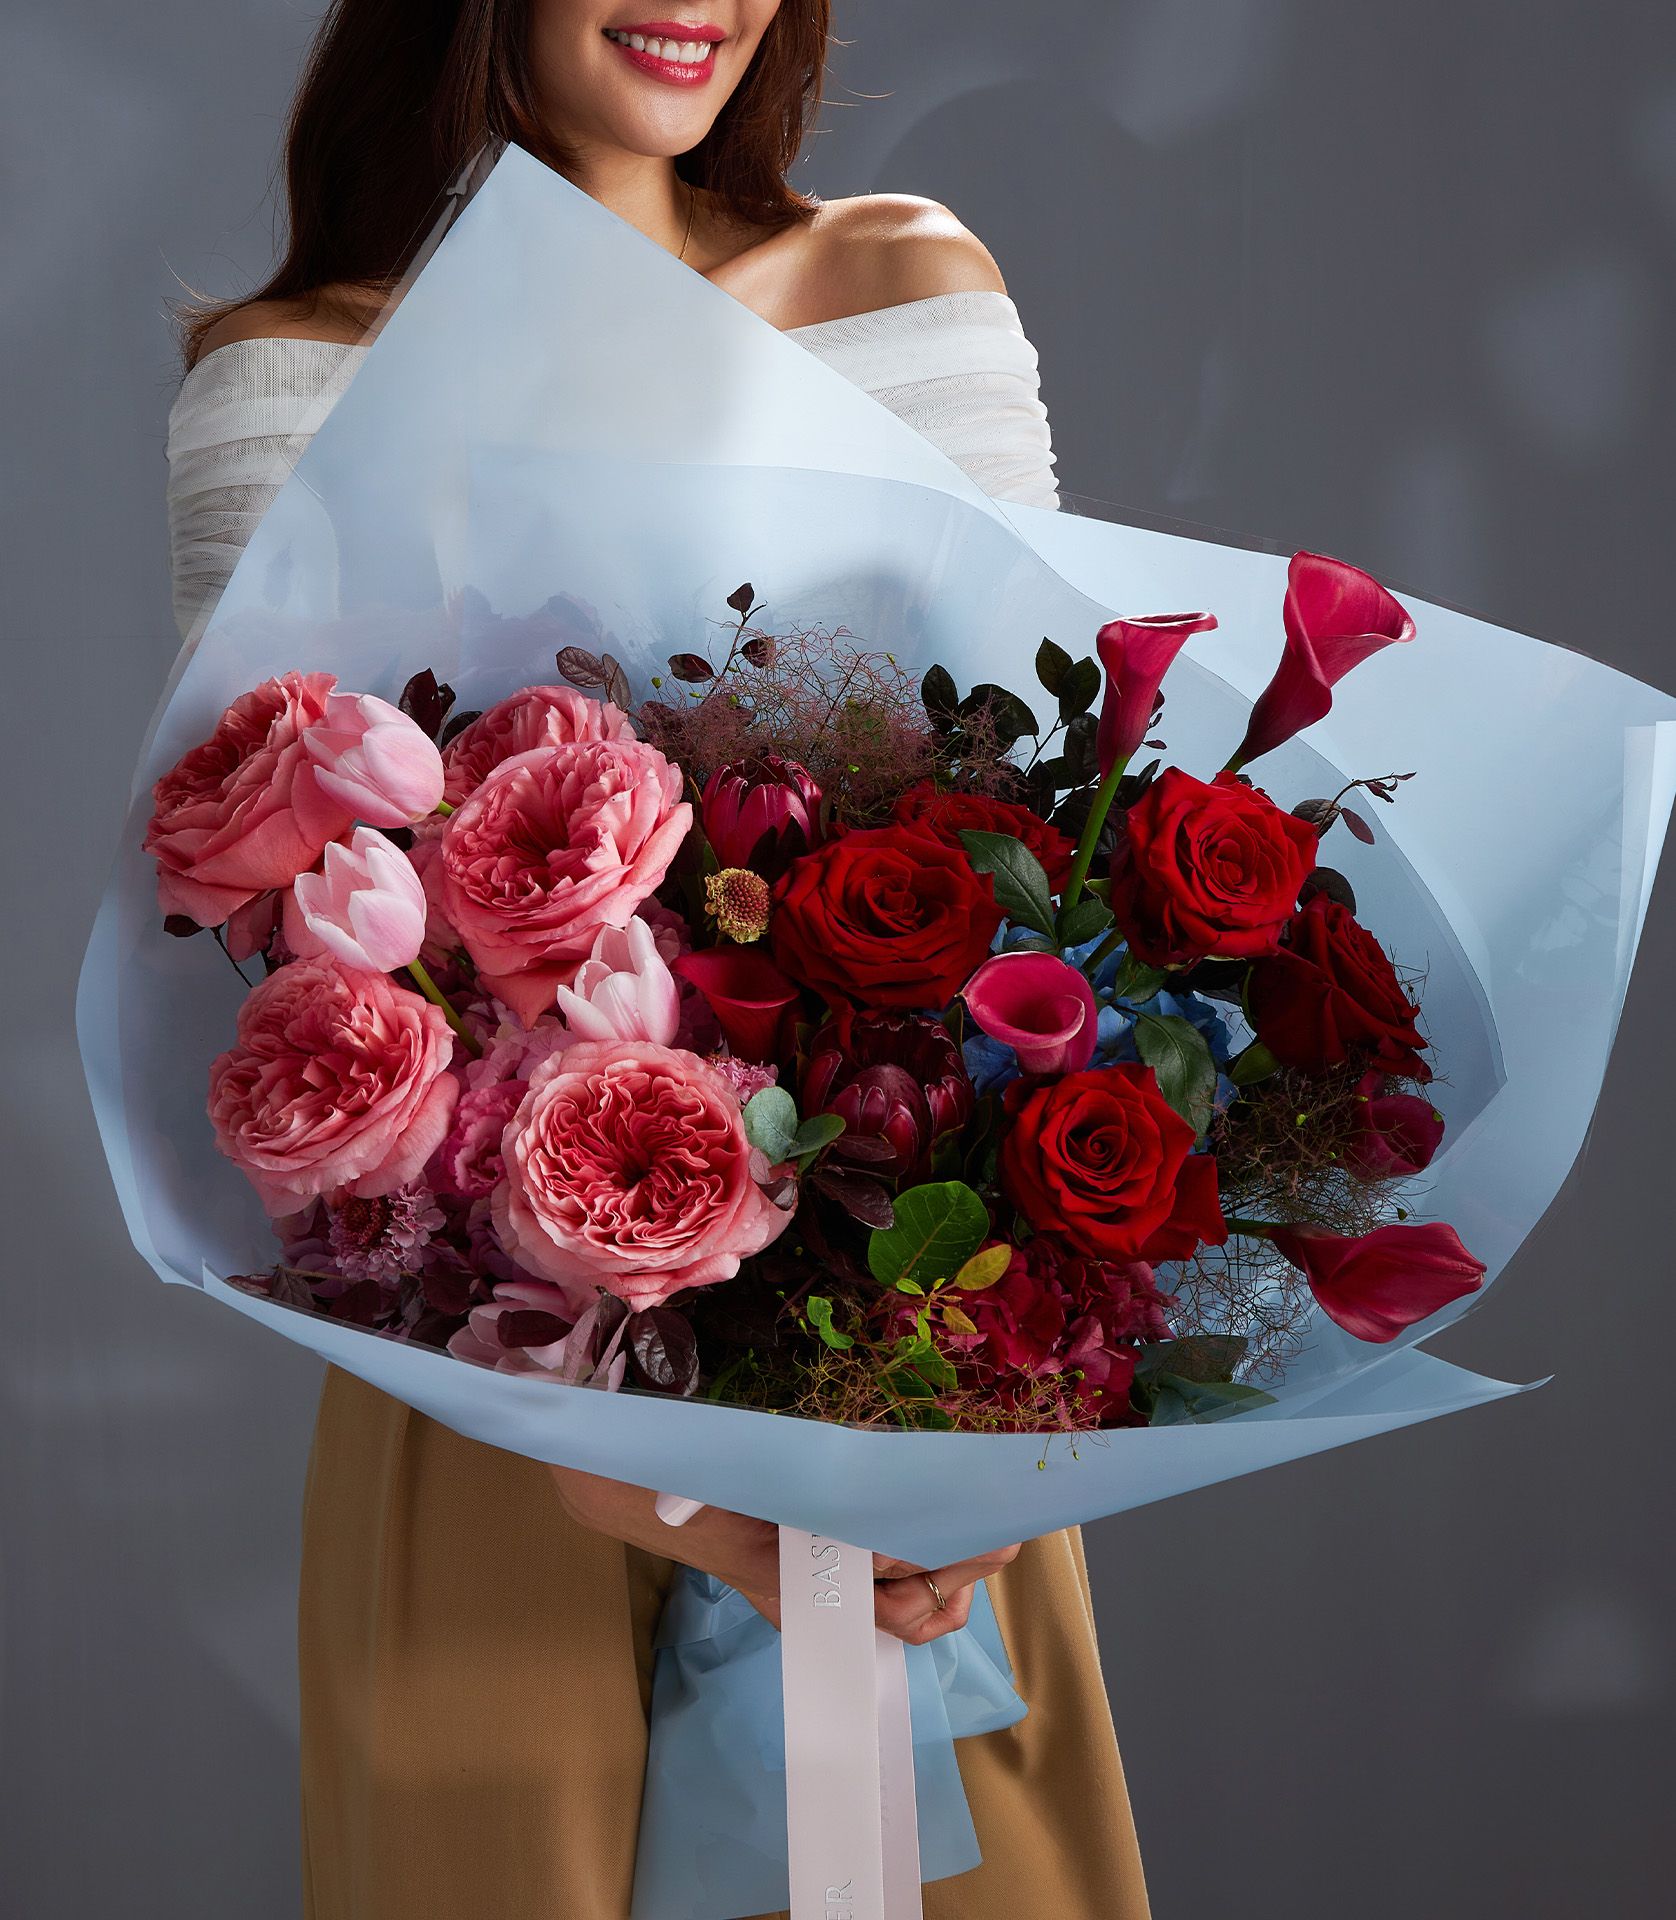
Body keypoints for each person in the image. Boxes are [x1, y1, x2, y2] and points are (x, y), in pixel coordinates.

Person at [165, 5, 1151, 1916]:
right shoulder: (297, 379)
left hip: (905, 1417)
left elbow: (1050, 865)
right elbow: (288, 978)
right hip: (496, 1426)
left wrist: (946, 1453)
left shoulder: (903, 289)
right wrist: (643, 1478)